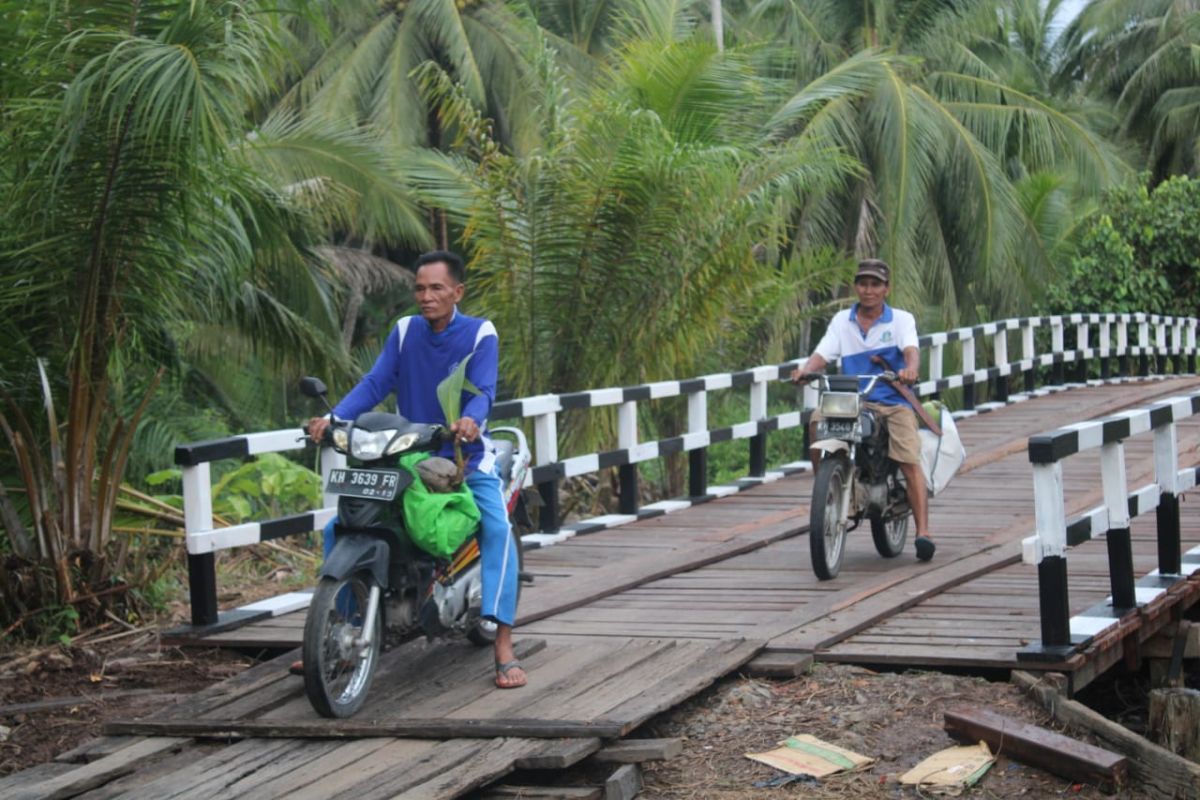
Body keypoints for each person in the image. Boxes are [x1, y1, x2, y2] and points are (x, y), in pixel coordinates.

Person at [306, 250, 527, 689]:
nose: (426, 297)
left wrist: (469, 421)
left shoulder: (480, 332)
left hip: (462, 456)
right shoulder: (406, 330)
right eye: (420, 289)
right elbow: (376, 382)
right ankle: (331, 637)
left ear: (457, 292)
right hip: (407, 453)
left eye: (436, 288)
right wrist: (335, 418)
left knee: (497, 530)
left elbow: (482, 390)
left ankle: (503, 644)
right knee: (341, 527)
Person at [790, 258, 936, 562]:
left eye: (875, 285)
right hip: (853, 400)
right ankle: (826, 489)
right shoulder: (843, 321)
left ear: (886, 289)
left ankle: (923, 532)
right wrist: (806, 370)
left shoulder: (901, 320)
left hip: (892, 403)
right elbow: (823, 353)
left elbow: (911, 351)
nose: (868, 290)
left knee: (909, 458)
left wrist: (909, 370)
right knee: (817, 423)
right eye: (863, 284)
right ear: (856, 287)